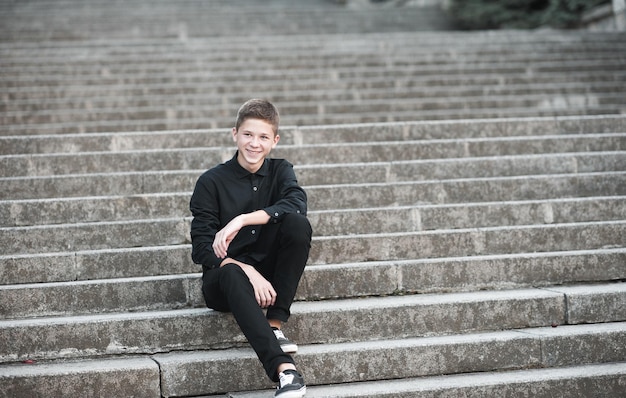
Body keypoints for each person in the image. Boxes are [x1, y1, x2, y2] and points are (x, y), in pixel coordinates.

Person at [190, 99, 312, 397]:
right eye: (248, 135)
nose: (254, 144)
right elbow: (202, 250)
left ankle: (274, 322)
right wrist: (246, 269)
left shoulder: (281, 170)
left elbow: (296, 204)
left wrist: (241, 220)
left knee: (298, 225)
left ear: (274, 141)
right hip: (224, 280)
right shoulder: (211, 182)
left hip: (268, 276)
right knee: (231, 274)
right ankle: (286, 371)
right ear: (235, 134)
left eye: (262, 137)